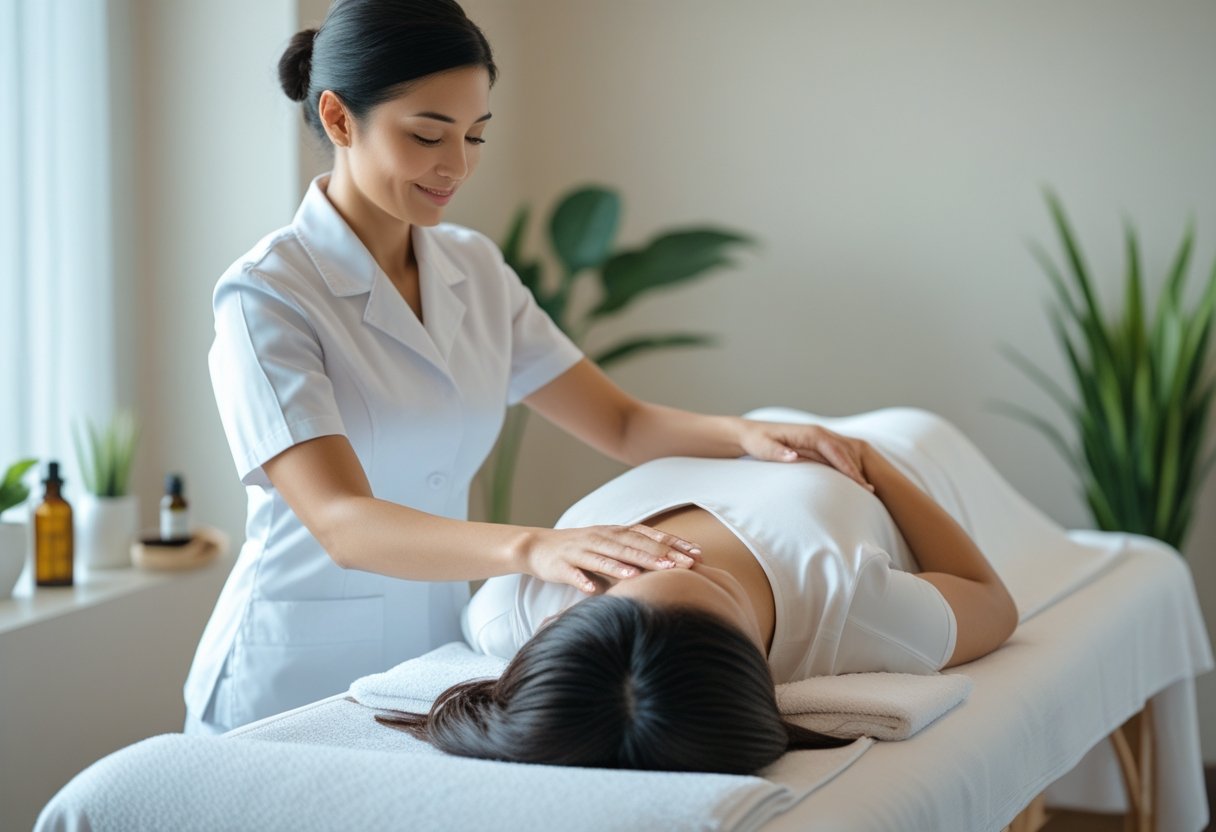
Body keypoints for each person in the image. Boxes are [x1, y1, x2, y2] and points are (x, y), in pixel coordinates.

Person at [183, 0, 877, 736]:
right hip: (292, 665)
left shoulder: (474, 269)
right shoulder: (268, 293)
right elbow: (342, 522)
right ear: (338, 118)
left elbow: (622, 421)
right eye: (427, 135)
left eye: (476, 135)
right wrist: (536, 546)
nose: (456, 166)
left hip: (429, 658)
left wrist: (754, 437)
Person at [377, 408, 1020, 774]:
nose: (681, 565)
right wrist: (873, 460)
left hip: (750, 430)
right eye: (714, 593)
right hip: (905, 447)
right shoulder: (854, 612)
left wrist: (746, 432)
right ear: (758, 669)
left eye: (642, 583)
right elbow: (989, 598)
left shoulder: (514, 607)